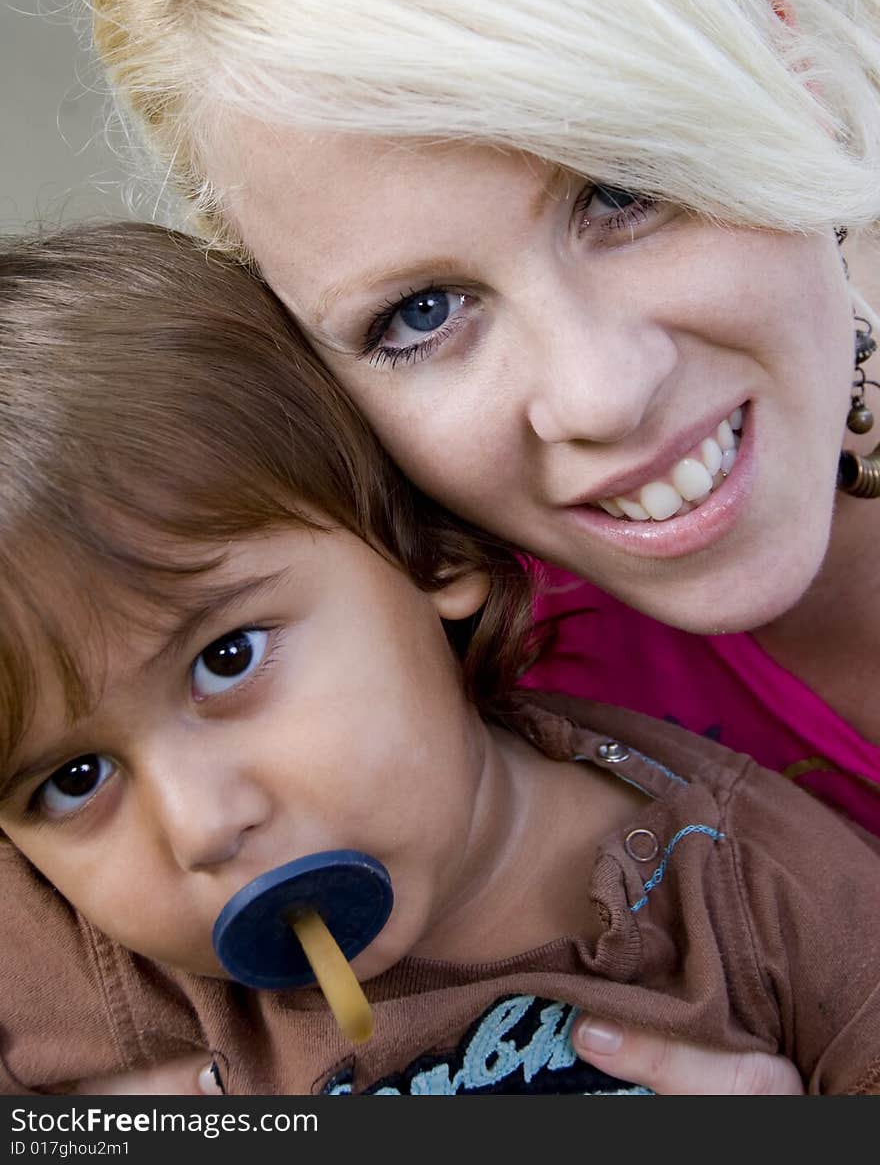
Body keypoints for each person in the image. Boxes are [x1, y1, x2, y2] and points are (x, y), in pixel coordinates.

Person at [75, 0, 880, 1090]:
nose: (598, 394)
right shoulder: (447, 705)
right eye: (424, 312)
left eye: (623, 186)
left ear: (784, 57)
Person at [0, 220, 878, 1097]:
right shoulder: (67, 946)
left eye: (227, 657)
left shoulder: (760, 888)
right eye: (73, 779)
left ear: (428, 551)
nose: (200, 826)